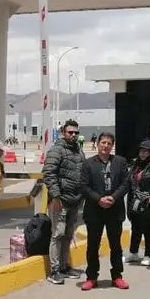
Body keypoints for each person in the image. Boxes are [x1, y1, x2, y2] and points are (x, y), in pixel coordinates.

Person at [80, 132, 131, 290]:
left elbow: (126, 183)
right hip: (94, 210)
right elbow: (84, 186)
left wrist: (113, 198)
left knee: (115, 245)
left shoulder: (120, 162)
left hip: (114, 210)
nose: (106, 146)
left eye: (109, 143)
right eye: (103, 142)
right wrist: (99, 199)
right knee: (92, 245)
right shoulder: (88, 164)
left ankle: (117, 276)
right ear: (97, 144)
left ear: (112, 146)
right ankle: (91, 277)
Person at [43, 119, 87, 285]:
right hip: (60, 201)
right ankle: (54, 270)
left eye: (76, 132)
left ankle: (64, 266)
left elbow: (83, 173)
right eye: (70, 132)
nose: (74, 135)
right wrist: (55, 196)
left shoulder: (79, 151)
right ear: (63, 132)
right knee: (58, 234)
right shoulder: (57, 150)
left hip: (75, 201)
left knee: (68, 234)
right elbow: (48, 173)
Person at [126, 139, 150, 267]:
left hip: (148, 201)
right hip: (135, 201)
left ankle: (149, 255)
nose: (142, 153)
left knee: (148, 228)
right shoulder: (135, 164)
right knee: (135, 227)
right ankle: (133, 252)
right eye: (141, 150)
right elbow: (129, 180)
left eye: (146, 151)